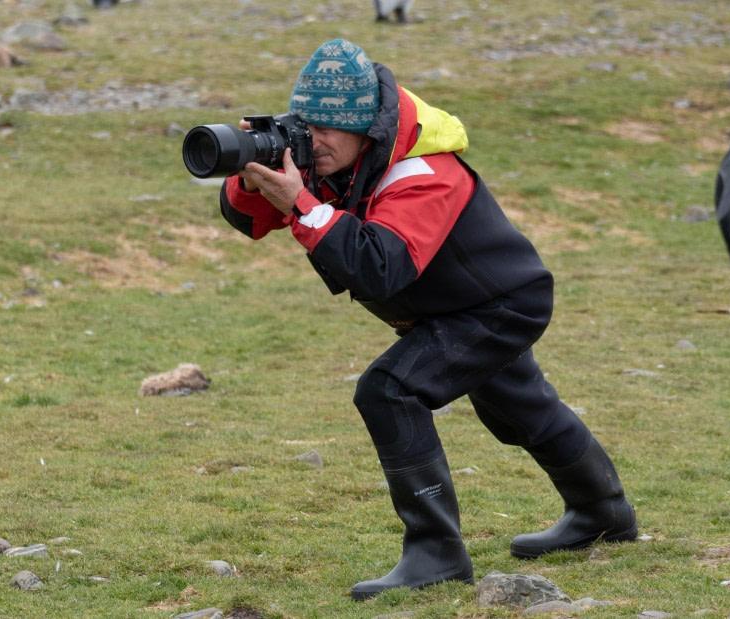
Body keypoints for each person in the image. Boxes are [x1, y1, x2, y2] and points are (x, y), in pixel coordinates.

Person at [218, 39, 638, 601]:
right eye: (306, 125)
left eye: (327, 129)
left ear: (366, 126)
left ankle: (437, 554)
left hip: (500, 304)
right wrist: (253, 180)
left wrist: (303, 205)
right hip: (450, 307)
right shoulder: (341, 158)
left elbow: (379, 269)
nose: (312, 141)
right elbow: (249, 223)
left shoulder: (424, 171)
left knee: (388, 391)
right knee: (519, 405)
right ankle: (603, 514)